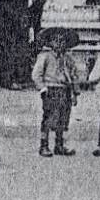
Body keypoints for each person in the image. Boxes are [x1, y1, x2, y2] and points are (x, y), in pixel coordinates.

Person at [31, 29, 77, 157]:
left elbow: (73, 75)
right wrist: (42, 87)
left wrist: (74, 92)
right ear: (50, 42)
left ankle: (59, 145)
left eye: (62, 41)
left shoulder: (68, 58)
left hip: (65, 89)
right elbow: (36, 74)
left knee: (63, 118)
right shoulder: (45, 57)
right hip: (51, 90)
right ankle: (44, 145)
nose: (59, 44)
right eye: (56, 41)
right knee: (49, 118)